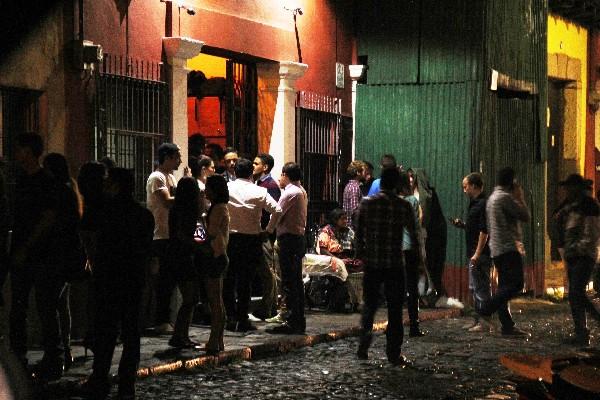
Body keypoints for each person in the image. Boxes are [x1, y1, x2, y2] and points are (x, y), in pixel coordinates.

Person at [80, 168, 154, 400]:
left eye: (108, 182)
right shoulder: (143, 215)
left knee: (106, 332)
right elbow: (147, 250)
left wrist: (93, 260)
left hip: (107, 278)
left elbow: (87, 235)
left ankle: (100, 379)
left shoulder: (103, 212)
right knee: (131, 334)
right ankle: (126, 383)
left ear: (116, 185)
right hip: (133, 279)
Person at [9, 133, 64, 380]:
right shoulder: (20, 180)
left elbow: (48, 218)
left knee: (45, 307)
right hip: (24, 252)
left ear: (29, 151)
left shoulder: (45, 181)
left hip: (42, 255)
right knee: (19, 307)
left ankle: (54, 357)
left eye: (19, 148)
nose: (15, 152)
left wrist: (27, 245)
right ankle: (19, 355)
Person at [354, 167, 419, 365]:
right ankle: (393, 352)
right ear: (397, 184)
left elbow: (358, 233)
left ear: (381, 182)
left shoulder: (367, 204)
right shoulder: (403, 206)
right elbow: (413, 234)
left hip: (373, 262)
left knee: (370, 306)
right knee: (395, 309)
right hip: (395, 264)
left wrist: (361, 253)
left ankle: (364, 344)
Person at [224, 158, 281, 332]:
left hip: (231, 239)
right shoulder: (259, 191)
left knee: (229, 279)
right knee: (245, 281)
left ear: (235, 172)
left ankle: (230, 316)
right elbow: (277, 210)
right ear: (250, 173)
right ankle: (242, 318)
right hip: (251, 239)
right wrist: (268, 230)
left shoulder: (227, 187)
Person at [42, 153, 83, 371]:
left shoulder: (59, 191)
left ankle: (57, 353)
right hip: (69, 255)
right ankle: (65, 349)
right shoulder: (71, 188)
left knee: (51, 304)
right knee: (61, 304)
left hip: (58, 255)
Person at [478, 167, 530, 337]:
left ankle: (507, 326)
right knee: (516, 284)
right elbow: (525, 215)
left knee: (503, 287)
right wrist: (520, 197)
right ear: (512, 182)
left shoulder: (493, 198)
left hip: (497, 249)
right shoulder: (505, 198)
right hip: (508, 248)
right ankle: (486, 308)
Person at [555, 174, 600, 346]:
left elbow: (591, 233)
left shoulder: (589, 205)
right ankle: (581, 333)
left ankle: (583, 331)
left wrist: (577, 249)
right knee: (576, 295)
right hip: (575, 255)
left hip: (584, 255)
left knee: (576, 293)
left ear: (576, 188)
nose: (566, 190)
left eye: (569, 187)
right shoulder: (573, 205)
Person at [266, 162, 308, 335]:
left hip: (289, 240)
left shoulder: (290, 193)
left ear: (285, 174)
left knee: (290, 282)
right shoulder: (301, 191)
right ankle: (297, 319)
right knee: (295, 281)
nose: (279, 179)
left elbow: (277, 213)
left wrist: (267, 230)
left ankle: (292, 320)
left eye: (281, 175)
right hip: (297, 239)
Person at [146, 143, 182, 335]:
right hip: (160, 235)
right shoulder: (157, 177)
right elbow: (167, 202)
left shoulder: (170, 177)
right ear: (167, 157)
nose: (180, 160)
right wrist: (188, 194)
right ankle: (161, 319)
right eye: (177, 157)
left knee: (169, 278)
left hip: (170, 235)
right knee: (162, 280)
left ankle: (166, 318)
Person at [450, 172, 491, 332]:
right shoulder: (474, 204)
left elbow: (484, 231)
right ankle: (478, 320)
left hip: (479, 254)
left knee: (481, 288)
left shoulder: (482, 204)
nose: (464, 190)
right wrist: (463, 225)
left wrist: (477, 254)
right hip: (474, 252)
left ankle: (485, 322)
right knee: (475, 288)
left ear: (474, 186)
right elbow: (475, 227)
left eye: (466, 186)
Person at [167, 177, 201, 349]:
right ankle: (180, 335)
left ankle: (181, 334)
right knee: (191, 297)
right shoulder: (185, 210)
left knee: (191, 297)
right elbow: (195, 236)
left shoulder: (178, 209)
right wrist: (196, 244)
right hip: (184, 256)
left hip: (179, 255)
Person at [77, 161, 108, 355]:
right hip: (101, 256)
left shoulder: (85, 200)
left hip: (92, 256)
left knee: (94, 299)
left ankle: (93, 335)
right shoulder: (102, 202)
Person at [252, 153, 282, 321]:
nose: (253, 166)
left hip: (264, 235)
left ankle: (269, 307)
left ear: (265, 167)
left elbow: (274, 211)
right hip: (260, 233)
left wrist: (268, 230)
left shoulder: (269, 185)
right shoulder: (260, 183)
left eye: (256, 163)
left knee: (268, 271)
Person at [412, 168, 448, 307]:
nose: (410, 180)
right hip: (416, 234)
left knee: (427, 264)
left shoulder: (429, 196)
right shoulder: (408, 194)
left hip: (427, 235)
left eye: (412, 177)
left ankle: (430, 292)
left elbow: (428, 217)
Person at [203, 174, 230, 355]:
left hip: (215, 255)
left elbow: (210, 233)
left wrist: (200, 220)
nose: (205, 190)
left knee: (215, 300)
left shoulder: (218, 209)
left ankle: (215, 339)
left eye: (208, 187)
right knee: (217, 299)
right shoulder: (221, 207)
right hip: (220, 255)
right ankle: (218, 340)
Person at [397, 171, 425, 337]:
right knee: (412, 288)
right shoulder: (412, 201)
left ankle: (394, 326)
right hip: (409, 248)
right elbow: (414, 226)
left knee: (396, 288)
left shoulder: (390, 201)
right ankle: (414, 326)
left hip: (394, 249)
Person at [343, 160, 366, 228]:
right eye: (364, 171)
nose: (365, 173)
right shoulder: (354, 188)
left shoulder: (349, 186)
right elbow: (354, 210)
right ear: (358, 173)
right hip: (353, 228)